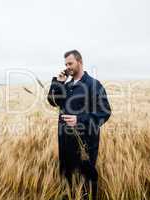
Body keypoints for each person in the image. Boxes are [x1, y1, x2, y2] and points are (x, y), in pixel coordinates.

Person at [47, 50, 112, 200]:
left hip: (85, 144)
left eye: (70, 63)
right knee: (67, 180)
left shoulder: (93, 84)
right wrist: (58, 83)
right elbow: (52, 101)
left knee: (85, 184)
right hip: (65, 142)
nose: (67, 67)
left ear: (79, 62)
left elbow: (105, 112)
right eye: (65, 64)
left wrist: (80, 120)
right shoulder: (67, 85)